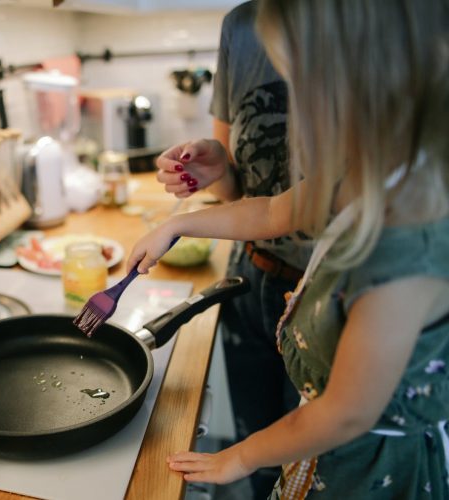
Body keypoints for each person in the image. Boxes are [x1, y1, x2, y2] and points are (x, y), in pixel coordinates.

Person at [130, 0, 449, 497]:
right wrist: (178, 226)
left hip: (368, 473)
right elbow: (272, 212)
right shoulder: (371, 173)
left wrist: (240, 455)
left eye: (304, 83)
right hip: (324, 447)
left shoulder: (404, 251)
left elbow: (344, 414)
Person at [156, 2, 303, 496]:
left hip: (331, 292)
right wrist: (215, 168)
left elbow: (346, 415)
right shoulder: (242, 25)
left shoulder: (381, 24)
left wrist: (181, 225)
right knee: (256, 456)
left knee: (308, 464)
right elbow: (250, 199)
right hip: (252, 278)